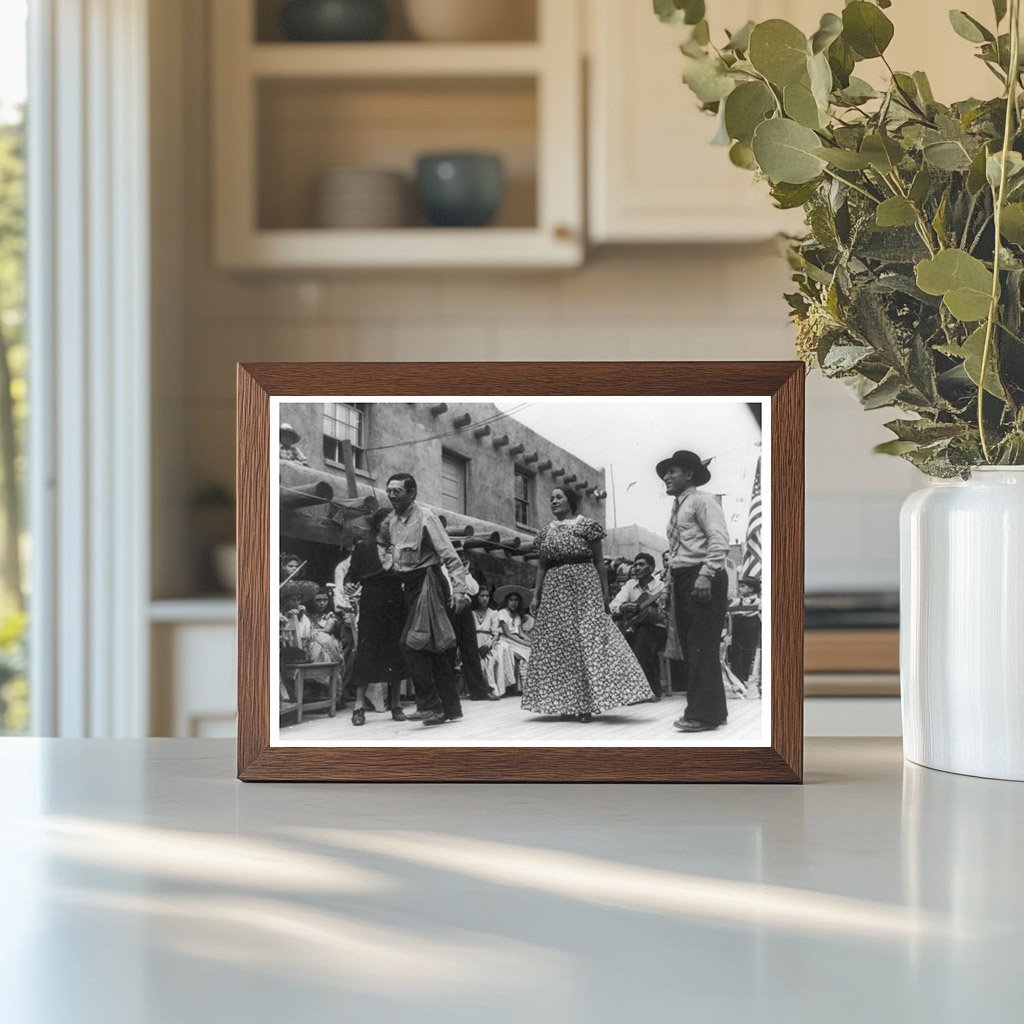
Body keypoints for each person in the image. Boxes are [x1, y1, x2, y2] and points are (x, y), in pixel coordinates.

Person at [523, 487, 652, 723]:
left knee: (587, 641)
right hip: (554, 591)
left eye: (559, 497)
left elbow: (599, 562)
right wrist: (535, 595)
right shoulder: (545, 534)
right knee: (561, 645)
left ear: (571, 501)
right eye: (551, 498)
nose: (553, 501)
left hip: (584, 588)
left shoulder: (586, 526)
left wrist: (604, 593)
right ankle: (565, 702)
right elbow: (541, 566)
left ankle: (585, 704)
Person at [385, 473, 469, 727]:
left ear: (412, 493)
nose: (391, 495)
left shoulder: (426, 517)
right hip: (410, 586)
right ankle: (449, 709)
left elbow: (450, 556)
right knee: (436, 649)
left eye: (397, 491)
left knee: (410, 644)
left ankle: (429, 705)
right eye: (389, 490)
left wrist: (459, 590)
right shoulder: (392, 522)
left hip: (429, 582)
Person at [658, 449, 730, 733]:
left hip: (703, 575)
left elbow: (719, 539)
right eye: (666, 473)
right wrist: (667, 587)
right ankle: (715, 710)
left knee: (701, 646)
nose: (666, 477)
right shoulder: (678, 507)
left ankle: (701, 715)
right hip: (683, 577)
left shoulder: (702, 501)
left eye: (672, 472)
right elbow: (676, 551)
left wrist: (706, 575)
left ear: (689, 474)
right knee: (694, 647)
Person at [345, 507, 408, 726]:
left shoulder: (400, 547)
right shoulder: (363, 547)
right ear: (378, 524)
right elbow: (351, 575)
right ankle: (359, 706)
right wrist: (349, 585)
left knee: (396, 651)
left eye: (395, 524)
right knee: (367, 651)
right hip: (372, 603)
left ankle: (397, 704)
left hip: (396, 605)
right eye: (388, 523)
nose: (392, 528)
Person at [610, 552, 667, 701]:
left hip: (659, 630)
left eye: (641, 564)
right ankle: (624, 690)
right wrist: (624, 607)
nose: (637, 568)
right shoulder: (630, 585)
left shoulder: (661, 587)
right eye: (635, 565)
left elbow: (666, 614)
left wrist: (655, 611)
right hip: (635, 628)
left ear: (651, 568)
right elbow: (613, 605)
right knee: (623, 638)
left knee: (643, 636)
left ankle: (649, 690)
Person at [491, 586, 533, 697]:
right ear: (506, 601)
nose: (513, 603)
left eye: (516, 600)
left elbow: (521, 632)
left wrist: (532, 641)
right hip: (507, 639)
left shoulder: (517, 615)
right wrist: (525, 643)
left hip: (516, 639)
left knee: (532, 650)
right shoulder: (502, 613)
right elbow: (507, 633)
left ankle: (527, 686)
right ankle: (525, 687)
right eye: (511, 600)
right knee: (527, 653)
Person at [728, 577, 762, 685]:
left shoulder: (759, 602)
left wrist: (743, 612)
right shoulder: (738, 601)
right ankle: (735, 679)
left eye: (743, 586)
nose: (739, 588)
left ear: (751, 589)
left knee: (748, 651)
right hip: (738, 627)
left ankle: (744, 678)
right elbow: (729, 608)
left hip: (751, 627)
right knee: (736, 652)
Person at [471, 588, 500, 697]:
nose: (484, 599)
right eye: (481, 596)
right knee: (477, 660)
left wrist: (490, 643)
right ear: (477, 597)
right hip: (473, 640)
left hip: (488, 640)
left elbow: (496, 633)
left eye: (487, 596)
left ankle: (491, 689)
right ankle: (483, 690)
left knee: (488, 660)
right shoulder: (471, 613)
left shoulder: (493, 613)